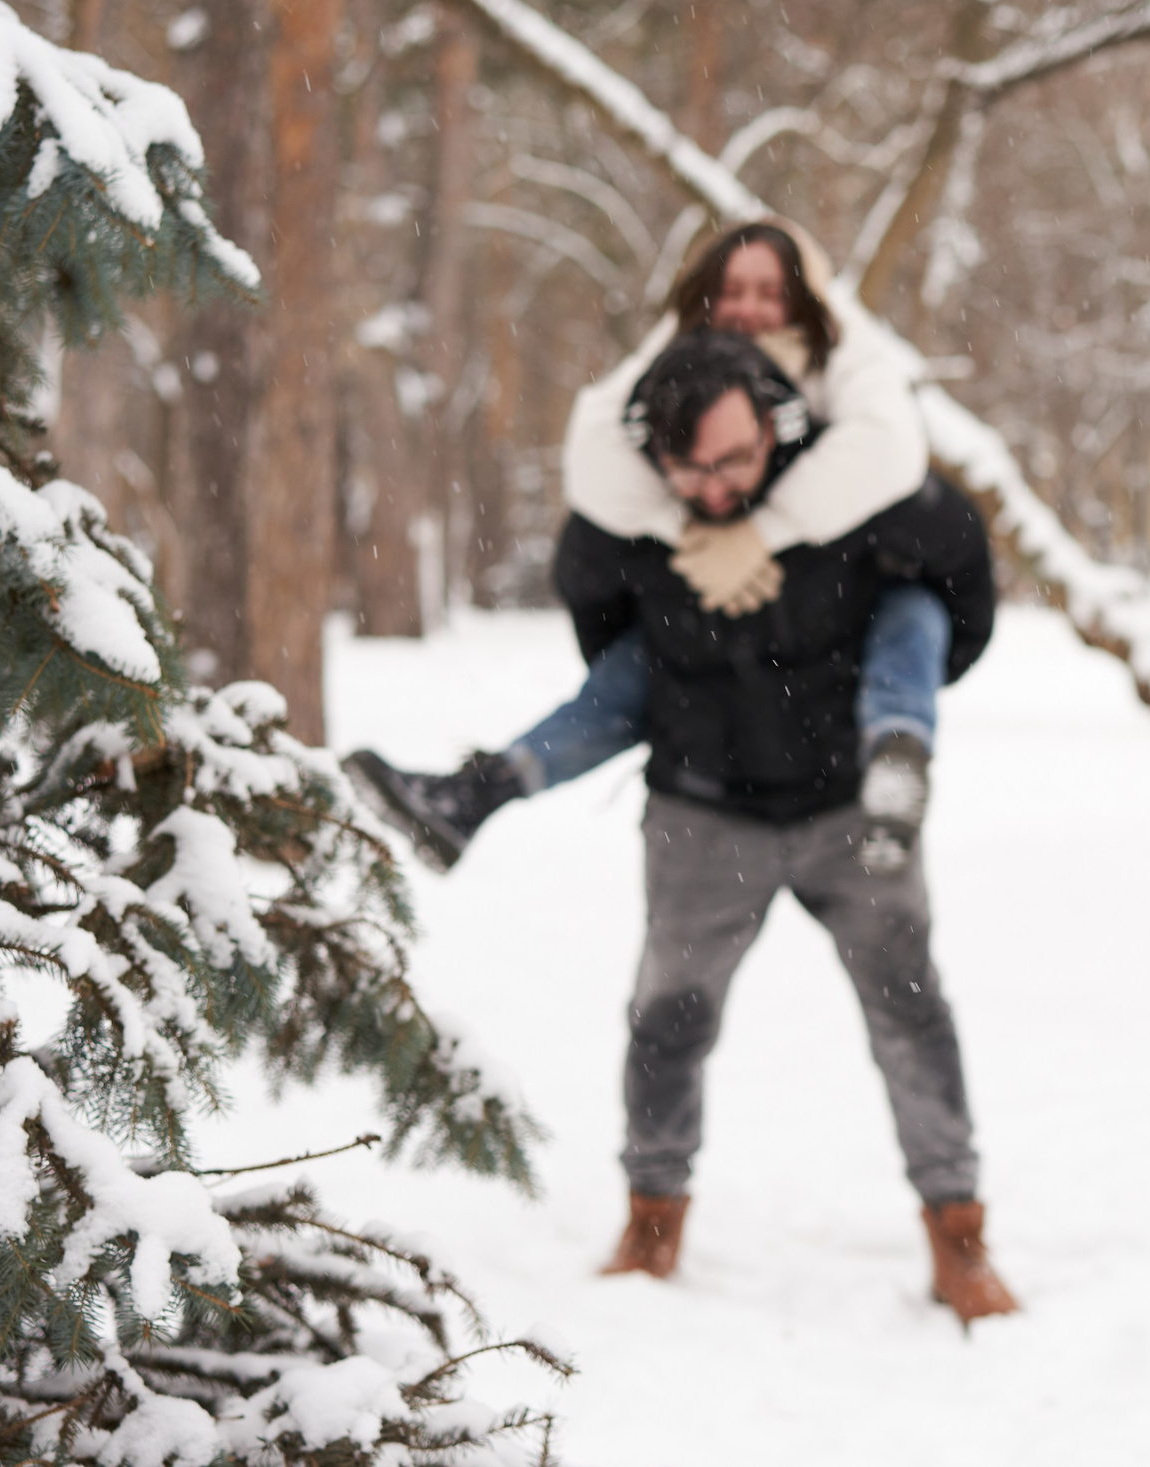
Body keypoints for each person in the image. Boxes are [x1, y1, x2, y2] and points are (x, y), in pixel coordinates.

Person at [556, 330, 1017, 1322]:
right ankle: (651, 1218)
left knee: (911, 1016)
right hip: (702, 810)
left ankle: (958, 1233)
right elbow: (594, 613)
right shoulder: (632, 515)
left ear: (776, 421)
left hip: (852, 808)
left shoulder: (854, 476)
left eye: (734, 458)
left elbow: (958, 572)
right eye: (689, 468)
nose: (715, 486)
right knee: (667, 1019)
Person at [346, 224, 948, 875]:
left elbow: (891, 448)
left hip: (836, 612)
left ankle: (897, 754)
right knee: (642, 667)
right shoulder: (682, 350)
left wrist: (760, 535)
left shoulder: (847, 353)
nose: (747, 308)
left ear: (807, 299)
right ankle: (481, 790)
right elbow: (592, 451)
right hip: (711, 620)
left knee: (912, 616)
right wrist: (690, 532)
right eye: (731, 290)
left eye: (770, 291)